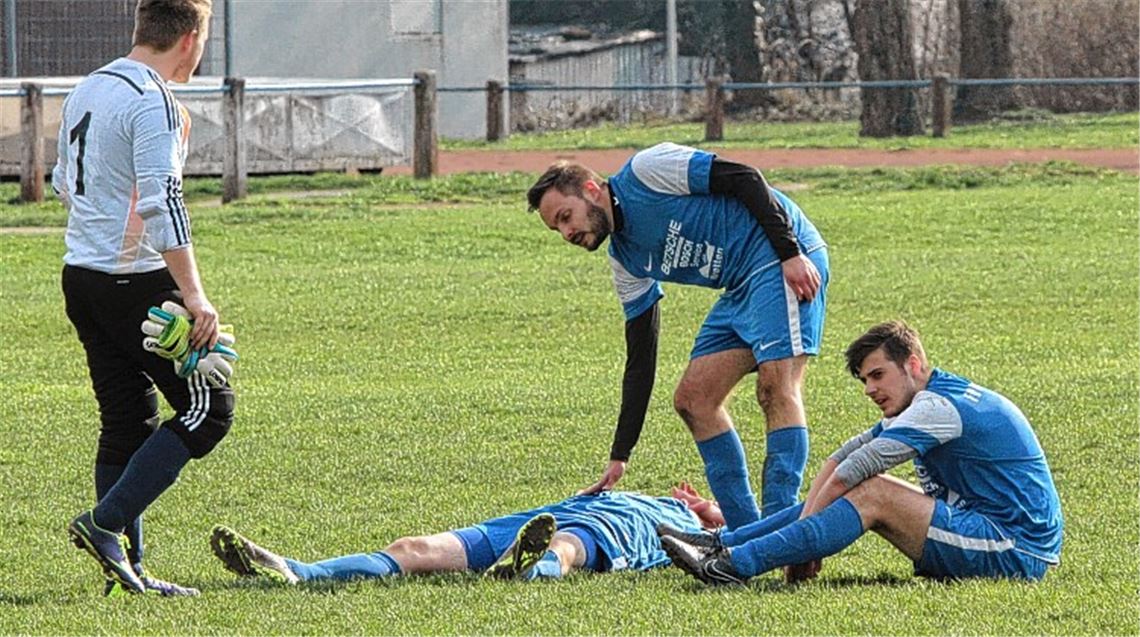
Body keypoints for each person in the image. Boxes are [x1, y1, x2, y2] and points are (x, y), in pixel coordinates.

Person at [526, 143, 829, 530]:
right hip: (740, 287)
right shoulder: (625, 260)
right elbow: (641, 356)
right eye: (558, 228)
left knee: (775, 388)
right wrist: (621, 454)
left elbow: (746, 178)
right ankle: (743, 534)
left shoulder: (646, 171)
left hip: (780, 256)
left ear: (589, 189)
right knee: (694, 400)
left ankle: (783, 531)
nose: (567, 232)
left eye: (566, 217)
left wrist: (789, 253)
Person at [52, 0, 233, 596]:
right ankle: (104, 526)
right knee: (210, 412)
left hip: (82, 275)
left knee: (127, 421)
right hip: (136, 282)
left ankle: (126, 568)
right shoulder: (152, 99)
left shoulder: (88, 87)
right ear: (189, 38)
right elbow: (163, 200)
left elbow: (63, 185)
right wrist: (194, 295)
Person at [658, 321, 1064, 585]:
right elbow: (844, 456)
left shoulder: (935, 408)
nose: (870, 389)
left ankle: (732, 566)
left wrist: (804, 543)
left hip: (1016, 550)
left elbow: (854, 470)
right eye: (865, 380)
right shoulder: (929, 398)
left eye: (877, 375)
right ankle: (722, 544)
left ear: (913, 365)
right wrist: (803, 533)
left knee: (872, 492)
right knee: (867, 486)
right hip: (991, 530)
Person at [210, 487, 724, 585]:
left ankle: (530, 570)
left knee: (566, 547)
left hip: (623, 529)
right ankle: (299, 572)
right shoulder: (649, 489)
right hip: (547, 513)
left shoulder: (691, 530)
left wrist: (708, 515)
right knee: (413, 548)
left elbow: (736, 523)